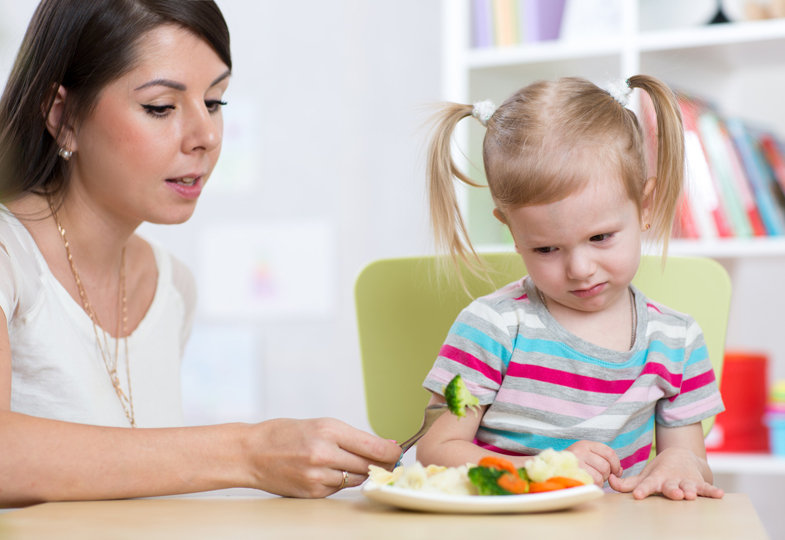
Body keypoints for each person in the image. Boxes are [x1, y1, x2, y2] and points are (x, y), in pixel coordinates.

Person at [0, 0, 399, 507]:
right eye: (161, 107)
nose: (206, 136)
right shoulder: (8, 257)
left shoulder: (171, 285)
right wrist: (248, 452)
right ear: (64, 117)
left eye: (214, 102)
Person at [416, 75, 725, 501]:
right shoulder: (491, 327)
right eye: (545, 248)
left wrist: (680, 465)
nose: (580, 269)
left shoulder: (677, 340)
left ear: (646, 207)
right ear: (512, 232)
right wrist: (543, 468)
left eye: (600, 238)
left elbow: (692, 464)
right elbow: (435, 451)